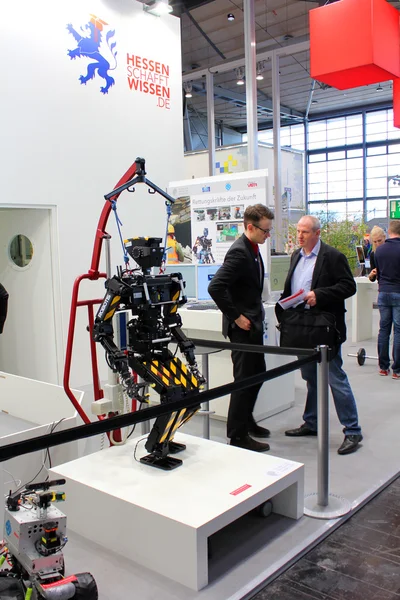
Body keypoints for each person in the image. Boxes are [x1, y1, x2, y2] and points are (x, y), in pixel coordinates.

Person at [277, 215, 363, 455]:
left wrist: (320, 295)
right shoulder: (296, 256)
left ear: (317, 233)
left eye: (305, 232)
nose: (300, 236)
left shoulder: (332, 256)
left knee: (335, 378)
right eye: (298, 231)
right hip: (301, 326)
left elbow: (349, 286)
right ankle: (312, 422)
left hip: (325, 328)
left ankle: (353, 430)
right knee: (310, 378)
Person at [208, 204, 274, 452]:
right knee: (244, 379)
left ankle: (246, 419)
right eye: (265, 231)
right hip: (242, 328)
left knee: (258, 374)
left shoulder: (253, 249)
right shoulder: (239, 253)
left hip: (253, 324)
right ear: (250, 227)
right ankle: (236, 435)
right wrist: (236, 317)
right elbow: (215, 287)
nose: (268, 236)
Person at [374, 220, 400, 379]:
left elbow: (378, 273)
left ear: (389, 232)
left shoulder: (379, 251)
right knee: (398, 330)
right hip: (398, 292)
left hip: (383, 293)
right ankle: (397, 370)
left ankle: (383, 367)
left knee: (383, 330)